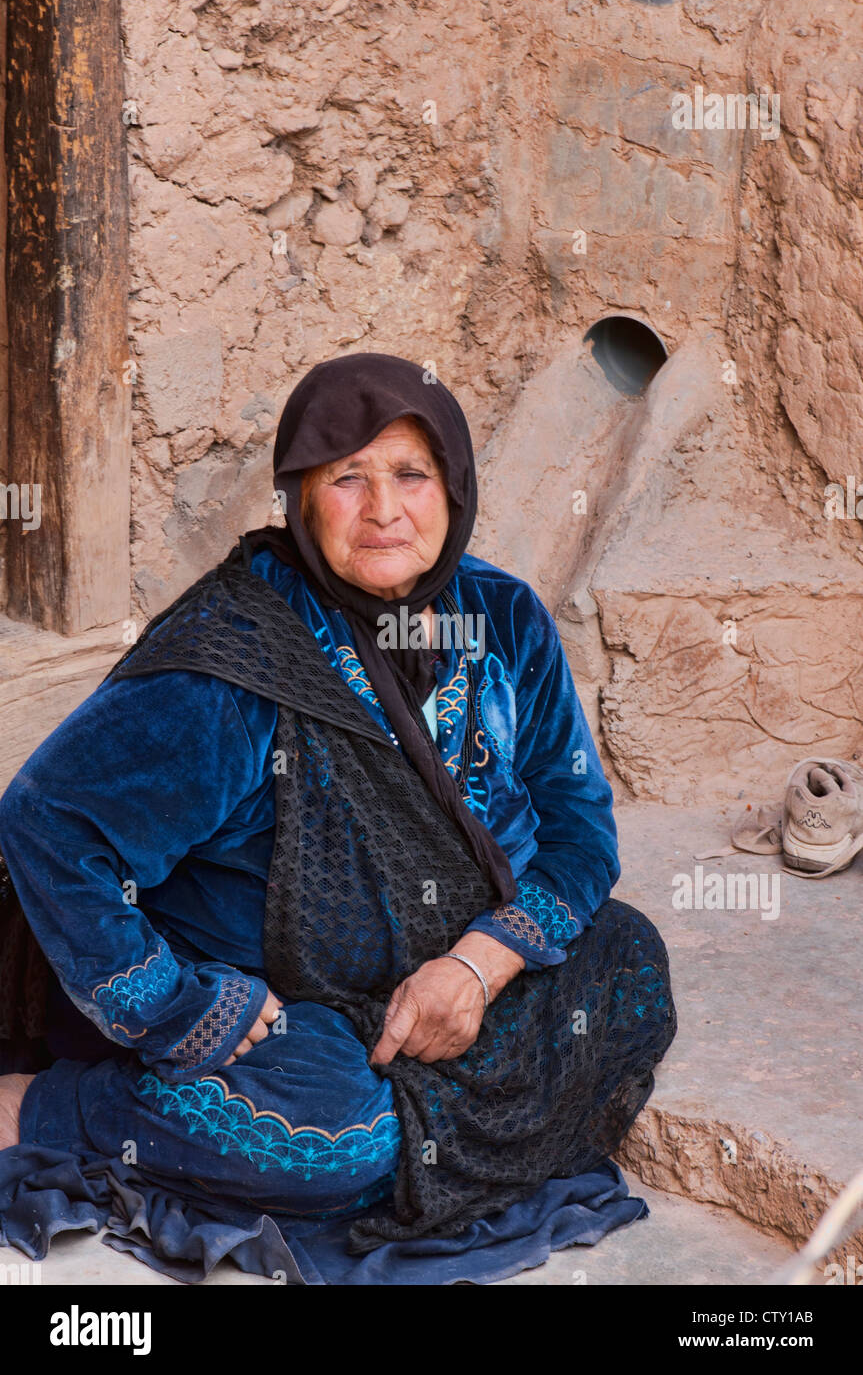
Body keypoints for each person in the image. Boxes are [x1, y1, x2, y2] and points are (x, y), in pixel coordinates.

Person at [0, 352, 676, 1281]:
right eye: (345, 479)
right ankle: (48, 1106)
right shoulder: (232, 662)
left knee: (629, 964)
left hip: (454, 973)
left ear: (454, 487)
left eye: (409, 474)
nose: (384, 509)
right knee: (335, 1146)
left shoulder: (504, 617)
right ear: (301, 501)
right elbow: (47, 822)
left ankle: (428, 1077)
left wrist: (478, 966)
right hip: (285, 1011)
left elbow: (578, 831)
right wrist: (178, 1010)